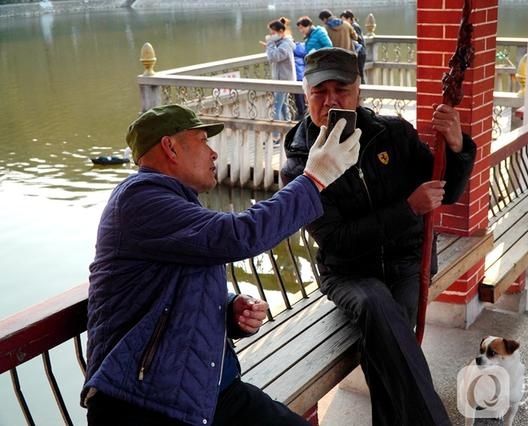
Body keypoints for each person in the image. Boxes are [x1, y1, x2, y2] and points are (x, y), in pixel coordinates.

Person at [81, 103, 361, 426]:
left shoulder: (176, 203)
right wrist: (313, 180)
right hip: (146, 401)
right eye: (202, 141)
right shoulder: (138, 199)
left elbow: (172, 292)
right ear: (170, 147)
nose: (213, 154)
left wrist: (228, 311)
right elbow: (237, 235)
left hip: (206, 390)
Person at [280, 48, 477, 426]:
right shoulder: (299, 167)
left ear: (359, 91)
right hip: (348, 273)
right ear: (306, 95)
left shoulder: (393, 134)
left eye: (342, 90)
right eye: (321, 92)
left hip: (407, 263)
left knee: (386, 344)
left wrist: (456, 147)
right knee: (377, 307)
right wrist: (407, 209)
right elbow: (336, 241)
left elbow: (446, 192)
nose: (331, 100)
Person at [263, 18, 296, 143]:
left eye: (272, 33)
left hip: (284, 81)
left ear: (281, 31)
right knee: (283, 107)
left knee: (276, 108)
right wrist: (271, 45)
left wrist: (269, 44)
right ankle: (289, 134)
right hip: (281, 80)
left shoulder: (286, 44)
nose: (271, 35)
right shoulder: (282, 42)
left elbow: (274, 57)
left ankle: (276, 137)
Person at [340, 9, 367, 83]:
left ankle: (363, 91)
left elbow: (358, 38)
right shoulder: (350, 26)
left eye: (344, 19)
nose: (343, 22)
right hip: (356, 53)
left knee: (360, 74)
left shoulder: (354, 26)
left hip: (360, 53)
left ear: (349, 19)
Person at [293, 40, 307, 119]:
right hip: (303, 75)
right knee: (302, 95)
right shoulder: (302, 48)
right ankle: (303, 112)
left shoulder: (292, 52)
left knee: (299, 97)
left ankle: (301, 114)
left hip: (297, 76)